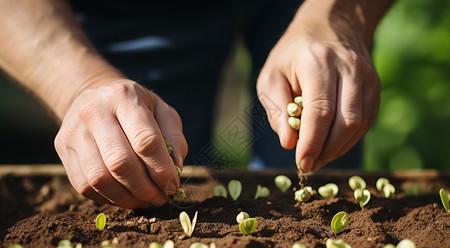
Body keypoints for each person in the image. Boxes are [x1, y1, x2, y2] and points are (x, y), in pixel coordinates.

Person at [0, 0, 394, 209]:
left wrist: (339, 17)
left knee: (318, 145)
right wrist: (81, 83)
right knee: (140, 165)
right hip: (131, 12)